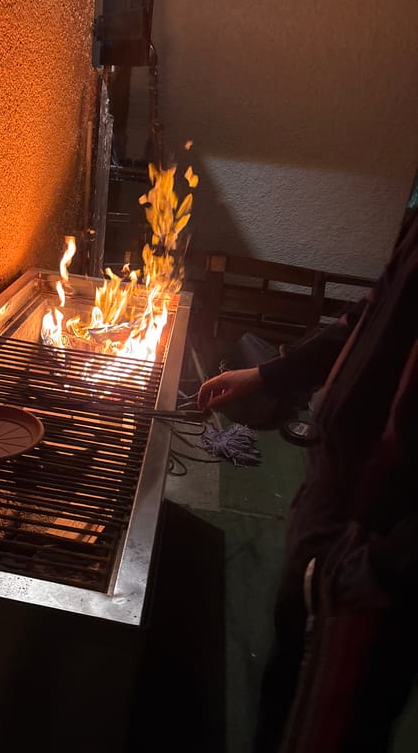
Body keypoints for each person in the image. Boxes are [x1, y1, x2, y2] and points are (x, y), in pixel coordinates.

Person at [198, 192, 418, 752]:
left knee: (328, 728)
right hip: (333, 509)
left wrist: (383, 565)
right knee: (286, 694)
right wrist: (271, 377)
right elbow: (377, 308)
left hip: (370, 551)